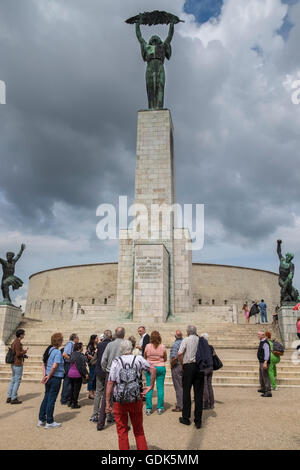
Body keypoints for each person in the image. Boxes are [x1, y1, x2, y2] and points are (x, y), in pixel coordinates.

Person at [105, 339, 156, 450]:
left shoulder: (116, 361)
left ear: (121, 350)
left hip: (120, 399)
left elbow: (110, 382)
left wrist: (107, 402)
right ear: (132, 348)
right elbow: (152, 369)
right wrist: (150, 385)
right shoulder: (138, 359)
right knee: (138, 430)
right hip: (135, 397)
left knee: (122, 431)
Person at [98, 327, 126, 430]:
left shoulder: (110, 344)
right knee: (122, 397)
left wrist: (106, 369)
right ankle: (123, 423)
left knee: (106, 397)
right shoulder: (126, 344)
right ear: (123, 334)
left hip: (109, 373)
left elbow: (103, 360)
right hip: (121, 373)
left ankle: (100, 423)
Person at [178, 325, 204, 429]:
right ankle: (198, 420)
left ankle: (186, 417)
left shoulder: (186, 340)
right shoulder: (200, 340)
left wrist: (181, 364)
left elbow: (180, 353)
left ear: (188, 332)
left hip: (188, 366)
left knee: (186, 392)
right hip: (199, 367)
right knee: (198, 394)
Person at [38, 333, 65, 428]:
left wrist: (45, 375)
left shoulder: (49, 350)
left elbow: (44, 364)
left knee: (46, 397)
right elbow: (55, 365)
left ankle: (41, 419)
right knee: (51, 399)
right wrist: (49, 376)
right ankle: (49, 421)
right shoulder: (57, 352)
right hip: (55, 377)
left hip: (48, 376)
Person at [90, 330, 112, 423]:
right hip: (109, 371)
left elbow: (96, 357)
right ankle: (109, 415)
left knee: (98, 393)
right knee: (109, 393)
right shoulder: (112, 345)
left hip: (99, 371)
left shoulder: (99, 345)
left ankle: (95, 414)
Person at [144, 330, 167, 415]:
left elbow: (145, 357)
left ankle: (148, 408)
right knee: (160, 388)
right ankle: (160, 408)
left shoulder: (147, 346)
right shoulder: (162, 346)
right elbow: (165, 358)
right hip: (160, 366)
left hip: (150, 367)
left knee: (149, 387)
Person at [7, 329, 28, 404]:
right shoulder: (17, 343)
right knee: (17, 381)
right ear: (21, 335)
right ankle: (13, 398)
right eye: (23, 334)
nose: (24, 335)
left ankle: (9, 396)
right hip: (17, 363)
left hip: (13, 363)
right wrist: (24, 352)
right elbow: (18, 354)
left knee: (13, 379)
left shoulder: (14, 342)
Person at [68, 342, 89, 408]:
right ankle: (74, 403)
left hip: (70, 373)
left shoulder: (72, 354)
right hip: (77, 374)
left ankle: (70, 401)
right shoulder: (80, 355)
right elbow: (82, 366)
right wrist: (86, 373)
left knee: (72, 388)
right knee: (76, 389)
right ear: (79, 348)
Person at [60, 333, 79, 405]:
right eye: (77, 338)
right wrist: (72, 360)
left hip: (69, 364)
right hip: (68, 364)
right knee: (67, 382)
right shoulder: (70, 344)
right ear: (74, 339)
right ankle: (64, 398)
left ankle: (67, 397)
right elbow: (64, 354)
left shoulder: (72, 344)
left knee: (69, 382)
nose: (78, 339)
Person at [170, 330, 183, 412]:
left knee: (178, 387)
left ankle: (180, 405)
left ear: (175, 336)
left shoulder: (175, 344)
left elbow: (174, 357)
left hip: (177, 366)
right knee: (183, 386)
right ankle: (183, 403)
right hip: (184, 365)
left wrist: (172, 365)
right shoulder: (184, 342)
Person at [200, 333, 215, 410]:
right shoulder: (211, 347)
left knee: (205, 386)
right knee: (209, 385)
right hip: (211, 367)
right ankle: (211, 403)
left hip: (205, 368)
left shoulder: (202, 348)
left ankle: (205, 403)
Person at [257, 331, 272, 397]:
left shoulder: (265, 343)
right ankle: (263, 388)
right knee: (261, 375)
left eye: (259, 335)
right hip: (261, 361)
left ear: (263, 335)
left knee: (265, 376)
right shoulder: (262, 342)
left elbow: (267, 353)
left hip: (264, 362)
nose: (258, 336)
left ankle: (268, 391)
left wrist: (265, 362)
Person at [85, 334, 99, 399]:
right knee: (91, 377)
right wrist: (94, 357)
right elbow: (87, 354)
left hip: (97, 364)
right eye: (96, 338)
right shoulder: (90, 346)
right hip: (92, 363)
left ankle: (94, 391)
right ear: (93, 339)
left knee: (95, 377)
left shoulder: (98, 345)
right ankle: (90, 392)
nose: (97, 339)